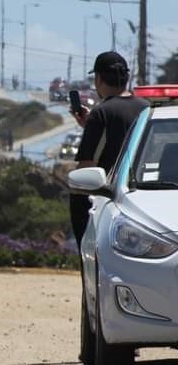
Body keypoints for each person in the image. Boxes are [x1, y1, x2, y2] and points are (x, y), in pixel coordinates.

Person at [69, 51, 148, 248]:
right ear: (126, 78)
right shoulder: (146, 108)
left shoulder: (101, 113)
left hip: (108, 200)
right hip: (144, 194)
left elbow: (86, 165)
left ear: (98, 79)